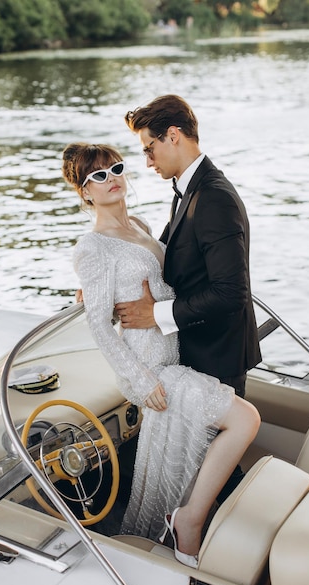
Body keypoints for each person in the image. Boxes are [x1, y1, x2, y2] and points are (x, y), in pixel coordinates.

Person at [63, 141, 260, 566]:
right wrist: (142, 380)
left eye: (115, 167)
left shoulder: (141, 224)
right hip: (152, 369)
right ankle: (188, 521)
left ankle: (186, 540)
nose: (111, 178)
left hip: (176, 356)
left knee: (193, 461)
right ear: (85, 191)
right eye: (98, 175)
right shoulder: (92, 248)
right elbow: (99, 324)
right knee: (246, 419)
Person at [115, 94, 262, 501]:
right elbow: (165, 256)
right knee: (206, 464)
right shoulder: (189, 188)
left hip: (217, 355)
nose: (147, 161)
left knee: (214, 469)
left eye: (150, 148)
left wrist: (155, 315)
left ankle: (217, 545)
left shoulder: (212, 197)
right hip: (202, 350)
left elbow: (232, 292)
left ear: (173, 135)